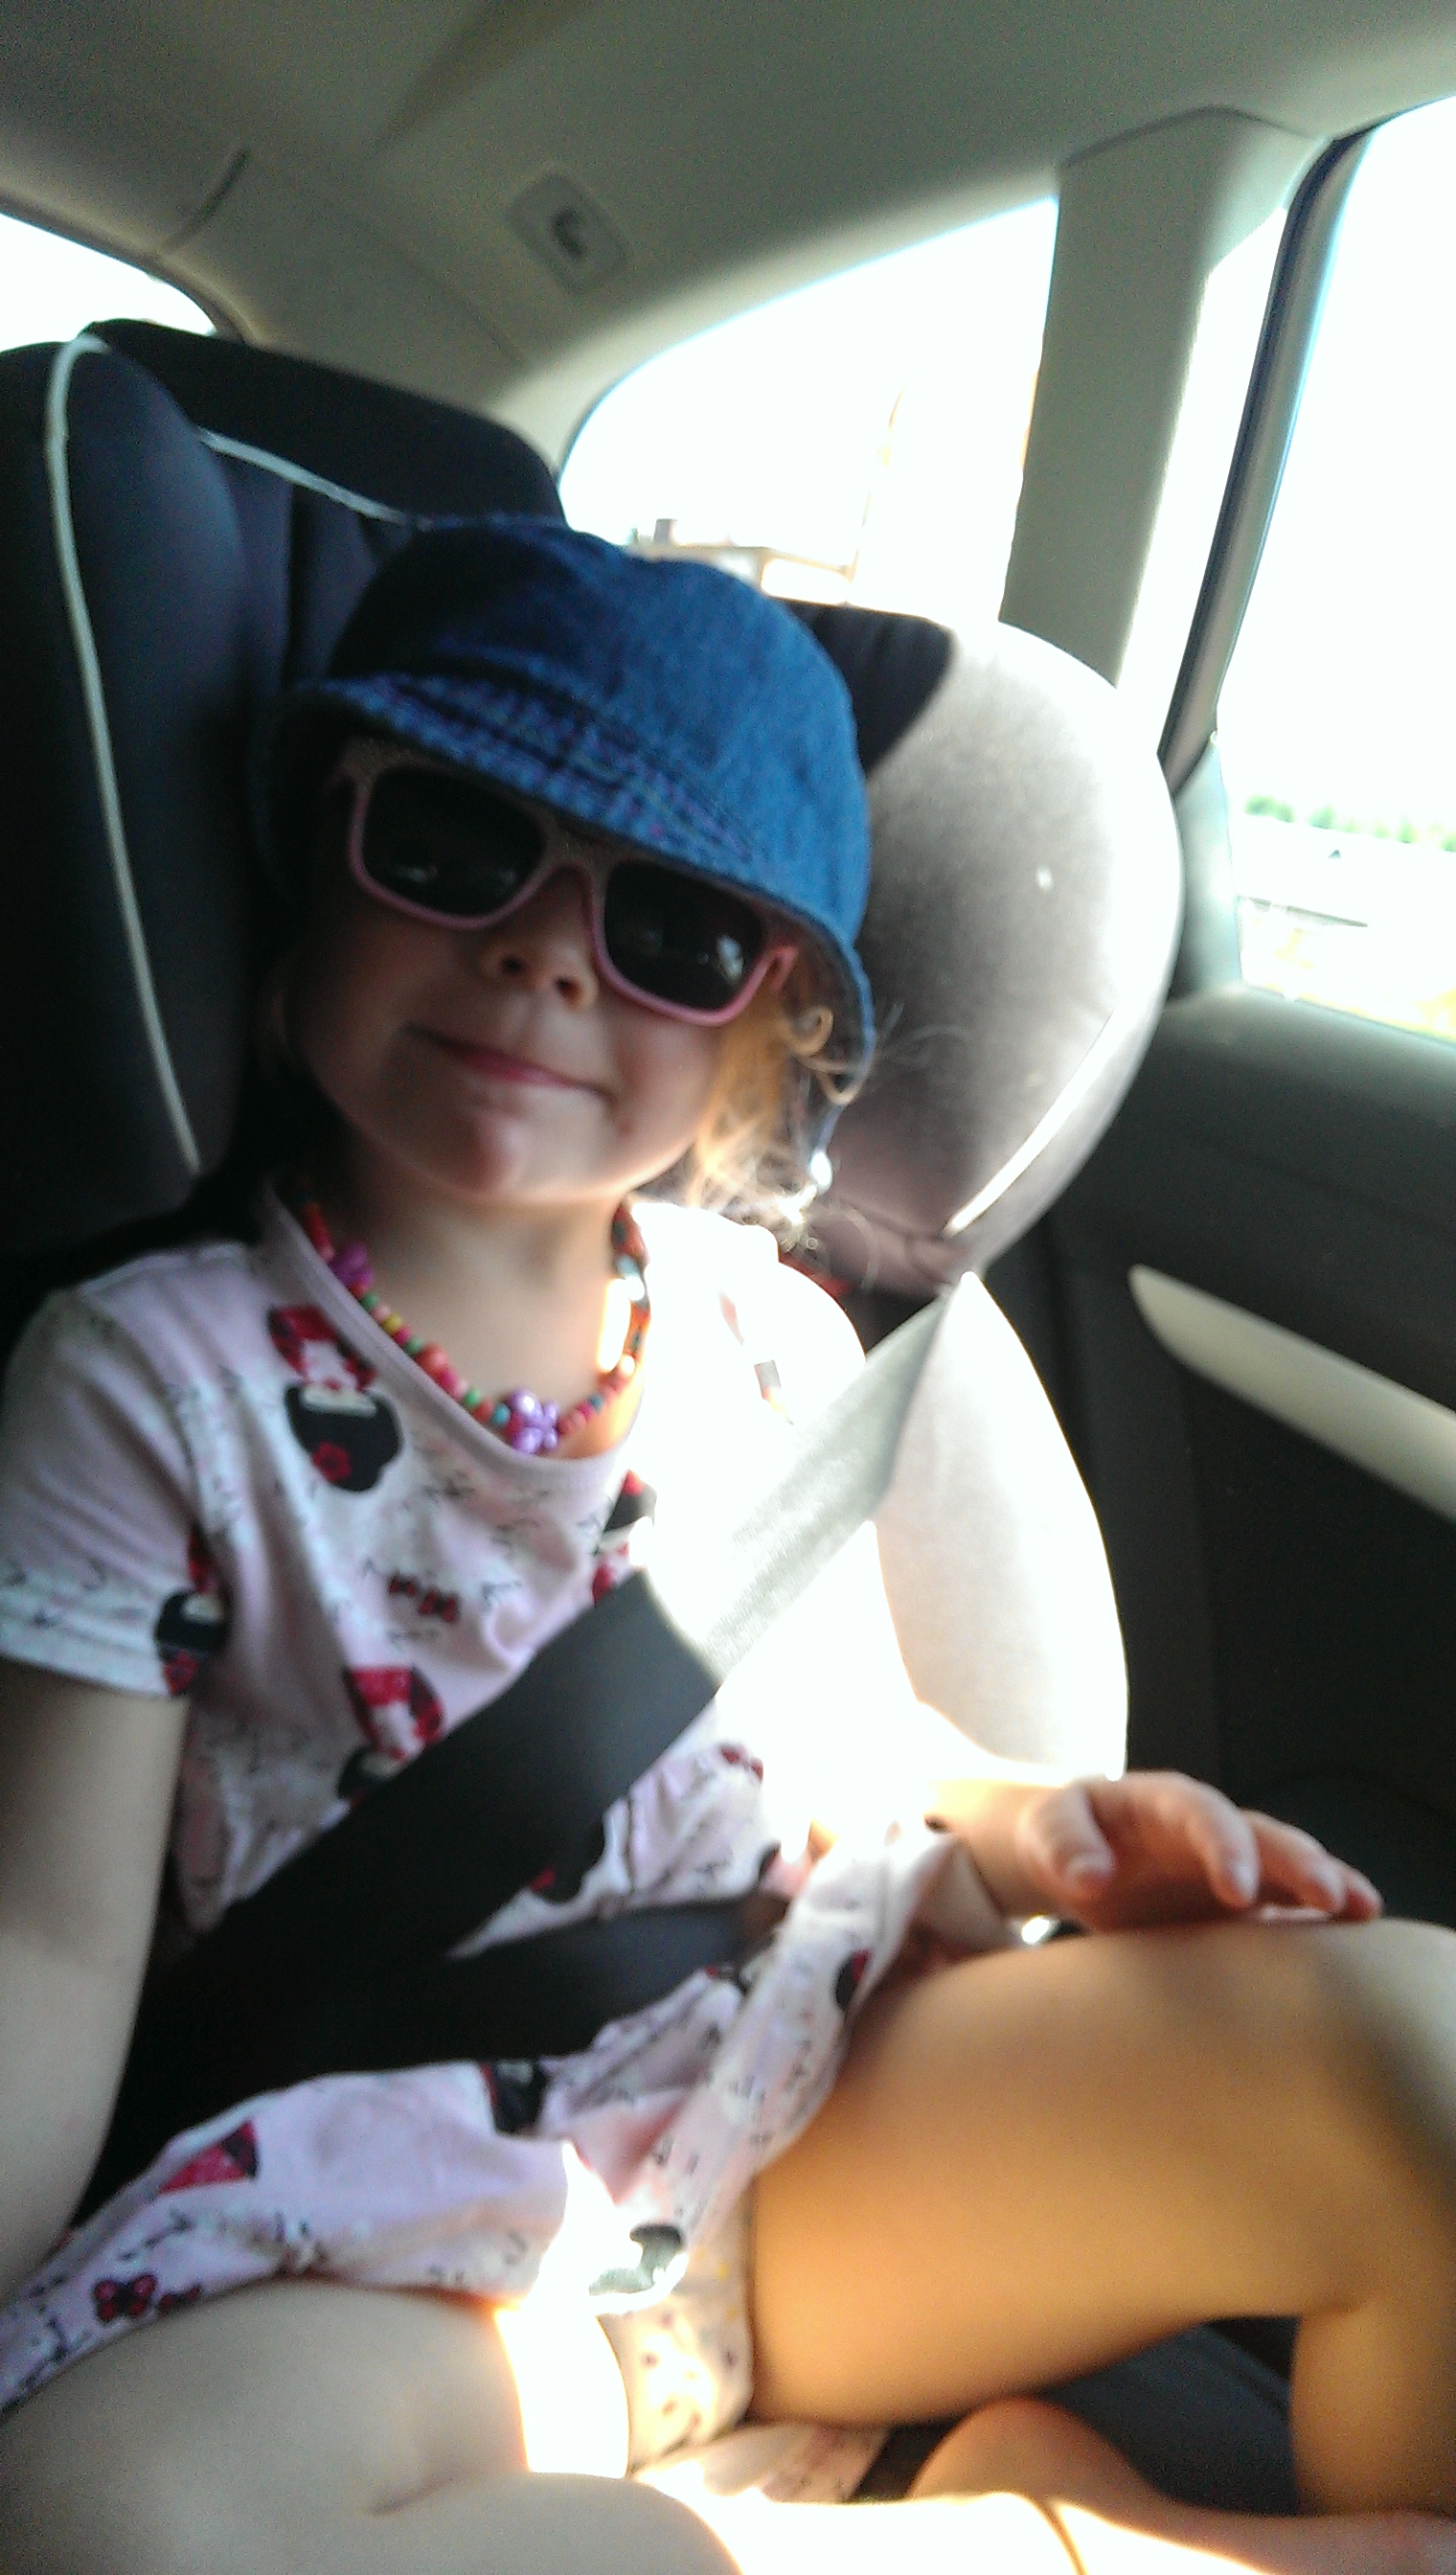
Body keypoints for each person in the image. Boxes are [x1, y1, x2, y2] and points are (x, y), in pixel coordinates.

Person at [0, 515, 1452, 2575]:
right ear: (317, 857)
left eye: (670, 932)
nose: (543, 956)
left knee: (1419, 2051)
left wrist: (1028, 1826)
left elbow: (844, 1756)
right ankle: (1036, 2543)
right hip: (388, 2235)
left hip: (820, 2121)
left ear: (754, 1030)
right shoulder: (152, 1380)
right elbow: (42, 1949)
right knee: (115, 2532)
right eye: (453, 844)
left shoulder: (766, 1338)